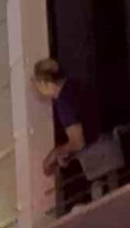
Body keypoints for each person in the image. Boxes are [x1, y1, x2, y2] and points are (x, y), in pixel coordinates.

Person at [33, 58, 121, 206]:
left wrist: (53, 155)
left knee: (103, 208)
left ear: (46, 83)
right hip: (112, 151)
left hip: (97, 164)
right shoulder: (76, 85)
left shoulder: (63, 102)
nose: (37, 89)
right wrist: (67, 153)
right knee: (117, 202)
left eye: (38, 83)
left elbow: (78, 142)